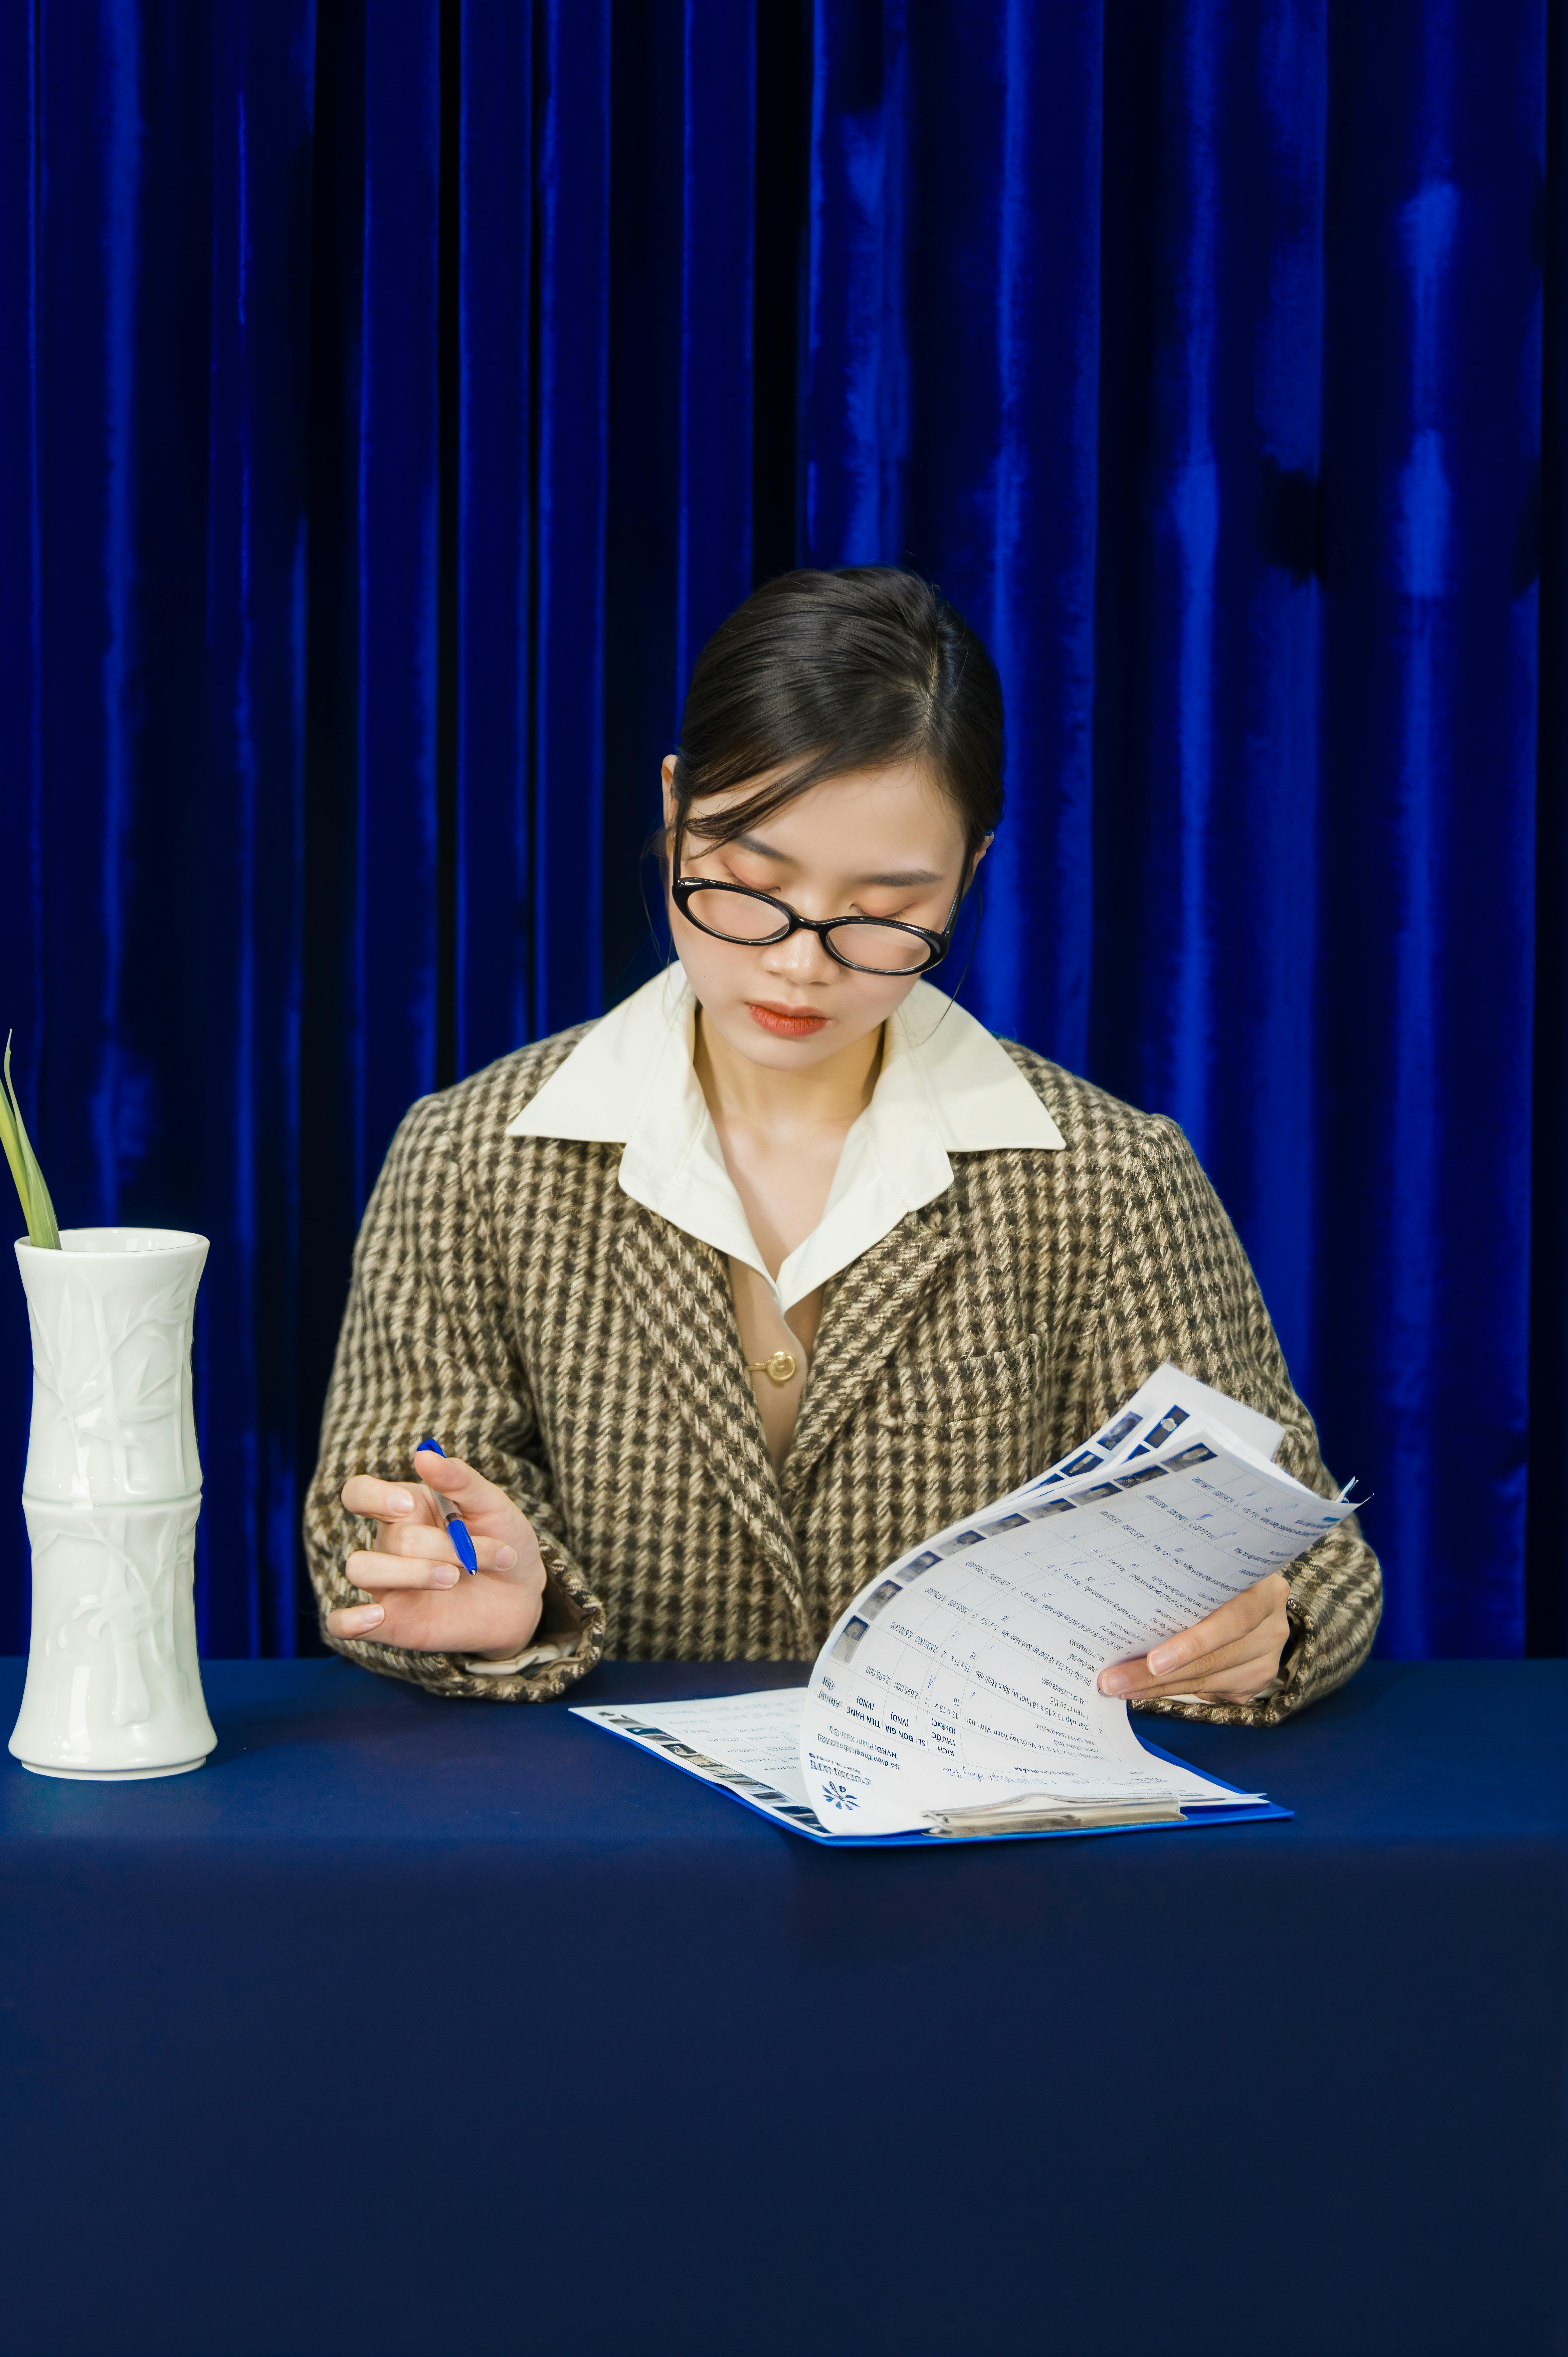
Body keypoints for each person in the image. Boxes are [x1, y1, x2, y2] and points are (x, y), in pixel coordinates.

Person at [305, 567, 1381, 1717]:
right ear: (673, 810)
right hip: (602, 1816)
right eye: (748, 883)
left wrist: (1264, 1625)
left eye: (881, 911)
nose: (799, 964)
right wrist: (489, 1596)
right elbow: (365, 1519)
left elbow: (1308, 1553)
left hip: (980, 1815)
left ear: (969, 872)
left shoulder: (1108, 1179)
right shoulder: (472, 1159)